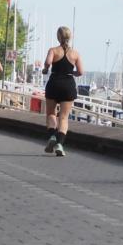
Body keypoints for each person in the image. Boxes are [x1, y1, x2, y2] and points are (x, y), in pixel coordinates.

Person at [42, 26, 84, 156]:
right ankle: (60, 143)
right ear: (69, 37)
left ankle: (52, 136)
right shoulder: (75, 53)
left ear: (58, 37)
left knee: (51, 114)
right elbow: (81, 72)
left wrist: (46, 68)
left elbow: (48, 63)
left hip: (54, 83)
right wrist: (71, 72)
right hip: (68, 84)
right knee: (64, 117)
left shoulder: (53, 50)